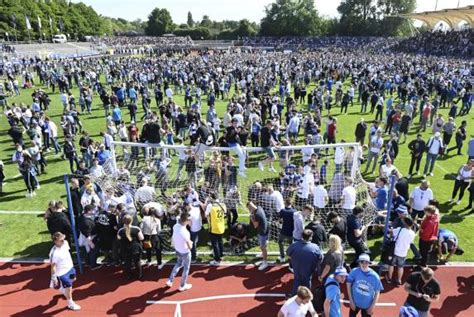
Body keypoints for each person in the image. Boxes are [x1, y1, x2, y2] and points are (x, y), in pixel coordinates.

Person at [49, 232, 81, 311]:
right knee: (69, 288)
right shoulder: (54, 253)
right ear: (56, 241)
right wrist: (54, 278)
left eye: (63, 239)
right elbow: (53, 266)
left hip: (70, 268)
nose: (63, 241)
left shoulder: (65, 243)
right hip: (62, 273)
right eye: (61, 240)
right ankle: (70, 303)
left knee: (73, 280)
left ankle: (63, 289)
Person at [287, 229, 323, 296]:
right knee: (307, 282)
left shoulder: (294, 245)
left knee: (296, 280)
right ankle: (307, 297)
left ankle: (294, 295)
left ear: (302, 236)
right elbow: (320, 258)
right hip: (308, 269)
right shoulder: (315, 247)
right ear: (310, 237)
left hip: (297, 267)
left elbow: (288, 254)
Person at [166, 212, 193, 291]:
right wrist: (191, 243)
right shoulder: (186, 232)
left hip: (178, 249)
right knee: (186, 268)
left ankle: (170, 280)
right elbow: (190, 247)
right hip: (185, 252)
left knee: (178, 264)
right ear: (186, 221)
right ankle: (182, 285)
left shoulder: (175, 226)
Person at [387, 217, 416, 285]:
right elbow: (411, 241)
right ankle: (399, 280)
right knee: (400, 267)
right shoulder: (413, 233)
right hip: (403, 252)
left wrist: (391, 230)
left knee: (391, 265)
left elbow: (391, 234)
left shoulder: (399, 229)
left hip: (395, 251)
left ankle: (389, 278)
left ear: (405, 223)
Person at [117, 214, 144, 279]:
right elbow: (141, 238)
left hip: (125, 248)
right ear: (131, 221)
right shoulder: (136, 229)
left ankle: (128, 275)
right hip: (135, 248)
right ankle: (139, 275)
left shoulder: (120, 230)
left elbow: (118, 239)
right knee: (137, 262)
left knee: (127, 262)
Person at [205, 193, 226, 266]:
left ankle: (217, 259)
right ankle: (221, 255)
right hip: (221, 226)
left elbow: (206, 214)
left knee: (215, 244)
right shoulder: (223, 204)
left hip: (213, 227)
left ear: (211, 198)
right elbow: (225, 212)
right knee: (220, 241)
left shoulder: (210, 205)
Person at [248, 201, 269, 271]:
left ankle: (265, 262)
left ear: (250, 208)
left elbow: (255, 226)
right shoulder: (259, 207)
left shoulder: (256, 215)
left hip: (262, 232)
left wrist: (251, 218)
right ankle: (262, 255)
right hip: (266, 229)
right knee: (264, 245)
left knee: (263, 247)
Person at [279, 198, 296, 263]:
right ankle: (290, 257)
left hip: (283, 231)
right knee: (291, 244)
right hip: (291, 231)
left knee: (280, 242)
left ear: (285, 203)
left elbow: (280, 220)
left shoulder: (282, 211)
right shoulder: (294, 211)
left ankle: (282, 256)